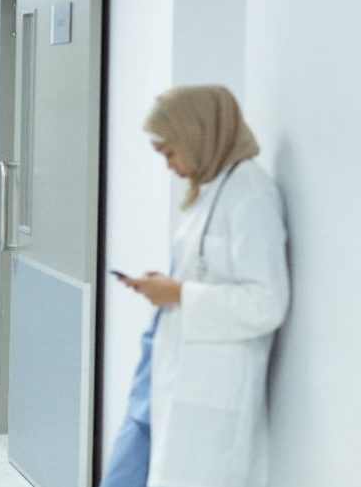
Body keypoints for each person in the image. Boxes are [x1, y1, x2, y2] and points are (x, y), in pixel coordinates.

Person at [103, 85, 290, 487]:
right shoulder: (211, 190)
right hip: (184, 375)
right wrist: (169, 287)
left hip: (216, 391)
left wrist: (179, 294)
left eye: (170, 152)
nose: (169, 166)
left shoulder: (250, 195)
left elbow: (268, 303)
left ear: (199, 133)